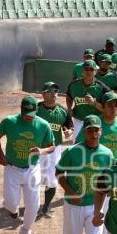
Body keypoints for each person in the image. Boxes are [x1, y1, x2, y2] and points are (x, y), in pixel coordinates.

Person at [56, 115, 113, 234]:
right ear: (84, 131)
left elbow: (108, 179)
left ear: (101, 131)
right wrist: (70, 191)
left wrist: (110, 191)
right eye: (90, 129)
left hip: (95, 206)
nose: (93, 133)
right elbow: (58, 172)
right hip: (73, 205)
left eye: (97, 129)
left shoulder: (107, 154)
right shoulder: (72, 151)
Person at [75, 91, 117, 234]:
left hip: (113, 175)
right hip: (91, 173)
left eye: (116, 105)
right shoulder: (94, 125)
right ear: (102, 106)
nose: (114, 108)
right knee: (84, 208)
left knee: (108, 211)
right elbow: (79, 145)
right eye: (109, 105)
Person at [0, 95, 55, 234]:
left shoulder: (43, 125)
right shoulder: (9, 121)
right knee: (11, 204)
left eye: (32, 114)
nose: (29, 117)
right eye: (26, 114)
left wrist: (41, 151)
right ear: (21, 110)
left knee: (33, 206)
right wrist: (1, 154)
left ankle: (25, 232)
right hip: (12, 168)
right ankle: (13, 211)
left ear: (37, 110)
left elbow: (51, 146)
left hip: (32, 168)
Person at [37, 82, 73, 217]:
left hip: (55, 149)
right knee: (33, 178)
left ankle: (45, 207)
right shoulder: (35, 109)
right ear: (43, 93)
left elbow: (69, 126)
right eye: (50, 90)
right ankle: (31, 204)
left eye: (56, 90)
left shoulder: (63, 111)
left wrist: (69, 131)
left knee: (52, 180)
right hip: (38, 148)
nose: (54, 93)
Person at [66, 59, 104, 141]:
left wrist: (94, 103)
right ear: (82, 71)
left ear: (95, 71)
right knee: (77, 146)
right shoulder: (74, 85)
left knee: (94, 145)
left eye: (91, 69)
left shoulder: (102, 88)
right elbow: (69, 96)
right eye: (86, 69)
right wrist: (69, 108)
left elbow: (106, 108)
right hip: (79, 120)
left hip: (95, 122)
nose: (88, 71)